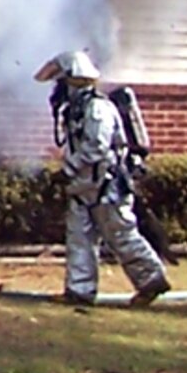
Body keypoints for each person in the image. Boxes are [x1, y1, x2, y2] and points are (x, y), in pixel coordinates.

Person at [35, 49, 172, 308]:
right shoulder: (76, 109)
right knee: (79, 238)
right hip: (83, 187)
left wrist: (68, 169)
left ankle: (152, 279)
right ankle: (79, 290)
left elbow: (97, 147)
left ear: (72, 80)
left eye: (60, 82)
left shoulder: (97, 108)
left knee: (121, 234)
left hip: (106, 187)